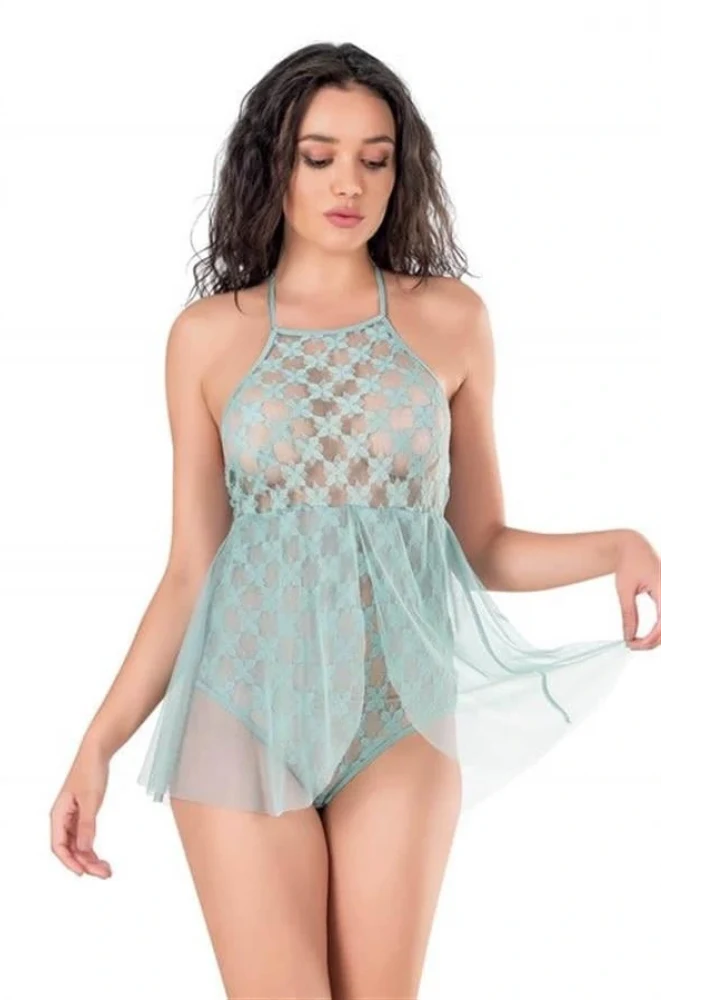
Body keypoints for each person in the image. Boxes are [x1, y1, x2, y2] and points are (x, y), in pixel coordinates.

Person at [49, 42, 663, 999]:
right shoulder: (207, 337)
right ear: (274, 164)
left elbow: (482, 544)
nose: (350, 183)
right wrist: (98, 742)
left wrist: (619, 547)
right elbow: (190, 570)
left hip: (397, 714)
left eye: (376, 159)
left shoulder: (451, 320)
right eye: (320, 156)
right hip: (243, 707)